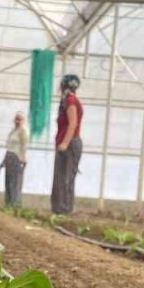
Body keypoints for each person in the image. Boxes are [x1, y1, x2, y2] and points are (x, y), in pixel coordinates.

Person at [51, 74, 83, 215]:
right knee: (60, 176)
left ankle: (64, 209)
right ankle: (58, 208)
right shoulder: (67, 100)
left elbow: (73, 123)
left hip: (70, 144)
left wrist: (64, 143)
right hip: (66, 143)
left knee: (65, 177)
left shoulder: (70, 100)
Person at [0, 112, 29, 207]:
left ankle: (15, 204)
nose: (17, 121)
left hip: (17, 158)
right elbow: (9, 147)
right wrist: (3, 162)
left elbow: (24, 146)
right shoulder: (13, 131)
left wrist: (23, 159)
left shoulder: (23, 131)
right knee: (8, 182)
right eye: (16, 119)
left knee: (15, 183)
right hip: (9, 157)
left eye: (19, 119)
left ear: (23, 121)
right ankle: (8, 204)